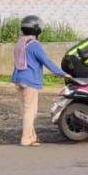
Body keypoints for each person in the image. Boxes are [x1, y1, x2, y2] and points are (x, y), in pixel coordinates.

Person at [12, 15, 70, 147]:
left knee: (26, 111)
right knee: (30, 112)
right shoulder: (34, 45)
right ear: (37, 30)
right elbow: (47, 62)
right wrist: (62, 73)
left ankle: (32, 136)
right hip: (29, 81)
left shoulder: (20, 42)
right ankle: (26, 139)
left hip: (18, 80)